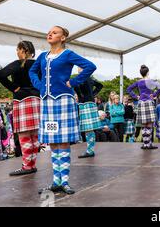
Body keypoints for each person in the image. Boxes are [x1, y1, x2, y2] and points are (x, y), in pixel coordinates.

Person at [30, 26, 96, 195]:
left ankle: (64, 181)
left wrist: (73, 82)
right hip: (47, 103)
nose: (50, 33)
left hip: (63, 102)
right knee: (53, 140)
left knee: (64, 140)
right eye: (49, 31)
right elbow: (32, 71)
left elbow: (90, 66)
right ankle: (56, 181)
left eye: (55, 32)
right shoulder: (43, 56)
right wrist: (39, 85)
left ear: (63, 37)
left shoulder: (67, 54)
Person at [0, 41, 40, 175]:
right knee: (35, 134)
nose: (16, 52)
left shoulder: (18, 63)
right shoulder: (38, 64)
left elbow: (0, 74)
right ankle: (32, 164)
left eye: (17, 49)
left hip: (22, 99)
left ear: (23, 50)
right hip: (37, 99)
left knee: (24, 134)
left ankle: (27, 166)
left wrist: (13, 88)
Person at [127, 65, 160, 150]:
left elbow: (129, 89)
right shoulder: (151, 81)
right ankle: (149, 144)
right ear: (148, 72)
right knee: (149, 124)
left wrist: (136, 97)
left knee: (144, 125)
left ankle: (145, 144)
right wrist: (154, 95)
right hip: (149, 102)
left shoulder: (138, 82)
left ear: (141, 73)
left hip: (141, 103)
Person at [74, 68, 103, 158]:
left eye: (79, 67)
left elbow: (78, 89)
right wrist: (92, 94)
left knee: (88, 129)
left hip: (85, 104)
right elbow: (100, 85)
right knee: (88, 129)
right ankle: (90, 150)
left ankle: (90, 151)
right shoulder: (90, 77)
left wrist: (83, 96)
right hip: (89, 103)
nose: (78, 68)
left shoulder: (81, 78)